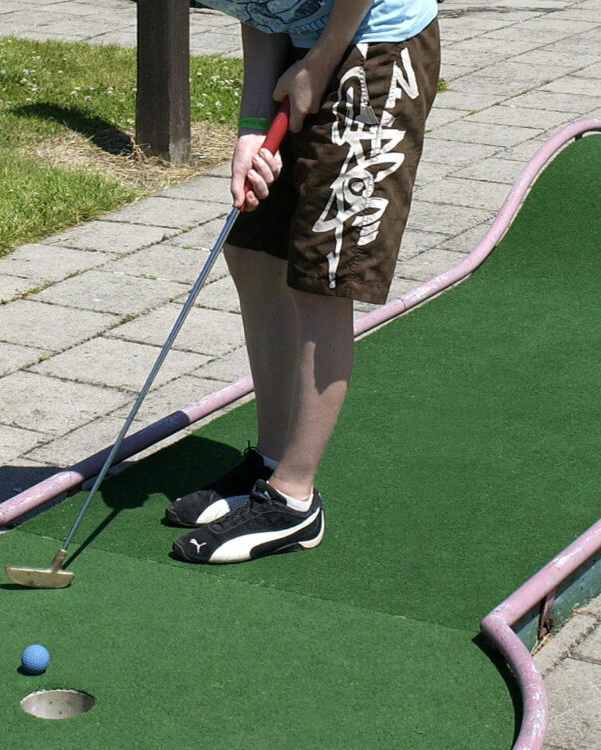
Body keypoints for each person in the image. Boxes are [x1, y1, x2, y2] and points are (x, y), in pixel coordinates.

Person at [165, 0, 441, 563]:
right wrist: (251, 128)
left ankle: (294, 499)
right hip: (302, 50)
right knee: (253, 253)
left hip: (377, 45)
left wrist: (318, 64)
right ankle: (270, 462)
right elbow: (262, 11)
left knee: (324, 272)